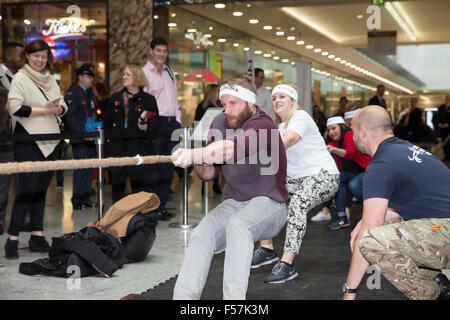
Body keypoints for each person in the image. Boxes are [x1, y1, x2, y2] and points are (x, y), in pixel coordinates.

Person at [172, 76, 288, 300]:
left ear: (250, 102)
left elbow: (230, 150)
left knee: (238, 225)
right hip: (236, 202)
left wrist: (196, 153)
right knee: (201, 234)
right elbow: (208, 174)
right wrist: (198, 158)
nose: (228, 110)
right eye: (224, 104)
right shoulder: (218, 123)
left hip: (270, 204)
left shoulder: (264, 125)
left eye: (233, 103)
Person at [343, 105, 450, 300]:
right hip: (442, 227)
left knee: (370, 240)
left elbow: (369, 233)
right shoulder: (404, 149)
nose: (352, 137)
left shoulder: (381, 164)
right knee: (377, 227)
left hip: (445, 230)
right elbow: (416, 202)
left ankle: (433, 293)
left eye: (352, 131)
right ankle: (438, 280)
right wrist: (364, 222)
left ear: (363, 132)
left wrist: (349, 291)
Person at [251, 84, 340, 284]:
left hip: (324, 176)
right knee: (265, 194)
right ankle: (266, 248)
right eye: (274, 98)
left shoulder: (300, 117)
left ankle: (287, 264)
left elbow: (288, 140)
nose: (277, 101)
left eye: (282, 96)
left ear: (292, 100)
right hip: (298, 180)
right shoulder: (277, 127)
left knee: (298, 202)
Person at [5, 39, 68, 259]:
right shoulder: (21, 78)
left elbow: (63, 105)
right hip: (27, 139)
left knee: (41, 189)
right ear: (28, 57)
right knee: (26, 189)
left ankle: (37, 235)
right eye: (36, 56)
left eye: (44, 56)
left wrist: (58, 108)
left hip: (51, 138)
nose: (40, 60)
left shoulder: (50, 78)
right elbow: (14, 107)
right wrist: (45, 110)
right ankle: (12, 239)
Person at [104, 65, 160, 204]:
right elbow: (107, 123)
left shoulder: (148, 100)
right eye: (123, 74)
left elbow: (155, 124)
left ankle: (137, 220)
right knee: (117, 189)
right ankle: (117, 220)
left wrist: (145, 127)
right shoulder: (115, 98)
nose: (124, 77)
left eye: (128, 75)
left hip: (138, 148)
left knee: (138, 190)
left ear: (137, 77)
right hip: (118, 149)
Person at [142, 37, 180, 220]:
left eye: (164, 51)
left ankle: (161, 207)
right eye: (158, 51)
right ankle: (151, 208)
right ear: (151, 51)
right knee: (153, 167)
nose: (162, 54)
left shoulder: (170, 72)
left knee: (168, 166)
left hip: (172, 123)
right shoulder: (144, 73)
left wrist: (178, 121)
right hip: (156, 123)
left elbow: (175, 98)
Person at [317, 116, 371, 230]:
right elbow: (339, 166)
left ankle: (376, 210)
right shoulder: (334, 142)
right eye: (329, 130)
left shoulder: (349, 134)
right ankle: (343, 218)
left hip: (371, 169)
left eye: (334, 128)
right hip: (358, 171)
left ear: (341, 127)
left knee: (354, 185)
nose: (331, 132)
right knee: (337, 179)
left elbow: (350, 154)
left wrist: (332, 150)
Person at [64, 64, 99, 210]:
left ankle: (85, 198)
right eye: (88, 76)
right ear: (81, 77)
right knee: (81, 169)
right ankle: (77, 199)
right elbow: (70, 117)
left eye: (92, 76)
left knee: (89, 169)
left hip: (90, 136)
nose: (91, 79)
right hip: (80, 138)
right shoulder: (73, 93)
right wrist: (82, 134)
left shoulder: (89, 93)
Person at [194, 83, 222, 194]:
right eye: (217, 92)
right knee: (205, 162)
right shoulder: (202, 107)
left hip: (217, 137)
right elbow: (197, 124)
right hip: (204, 138)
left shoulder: (220, 106)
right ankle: (204, 185)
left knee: (217, 162)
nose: (219, 95)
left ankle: (216, 184)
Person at [432, 94, 450, 160]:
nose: (447, 99)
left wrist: (448, 125)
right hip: (441, 131)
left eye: (448, 97)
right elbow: (436, 118)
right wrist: (439, 125)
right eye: (446, 97)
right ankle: (445, 158)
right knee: (442, 145)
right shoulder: (441, 107)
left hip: (448, 131)